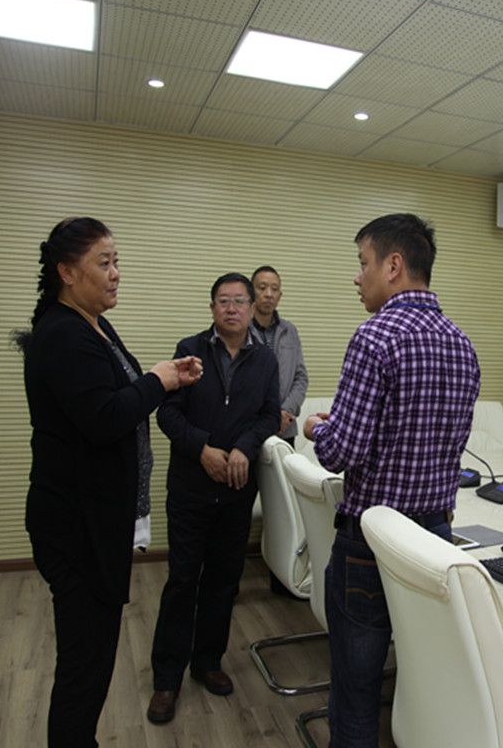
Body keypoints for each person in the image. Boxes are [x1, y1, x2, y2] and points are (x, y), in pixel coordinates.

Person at [14, 216, 203, 748]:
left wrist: (165, 379)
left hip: (95, 518)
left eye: (117, 261)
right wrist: (158, 380)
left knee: (93, 658)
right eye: (105, 262)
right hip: (75, 526)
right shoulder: (62, 333)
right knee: (84, 665)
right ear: (67, 272)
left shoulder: (90, 322)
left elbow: (117, 393)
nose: (116, 272)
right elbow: (103, 418)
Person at [303, 213, 480, 747]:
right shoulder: (462, 343)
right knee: (421, 672)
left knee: (356, 689)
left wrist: (318, 428)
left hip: (371, 543)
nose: (357, 277)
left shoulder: (374, 337)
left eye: (363, 263)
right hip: (434, 538)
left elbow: (342, 452)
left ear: (394, 265)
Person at [147, 272, 281, 724]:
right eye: (223, 301)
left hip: (237, 489)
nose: (232, 308)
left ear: (252, 309)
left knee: (224, 580)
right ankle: (167, 677)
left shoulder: (265, 360)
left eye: (240, 301)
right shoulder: (189, 350)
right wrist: (201, 448)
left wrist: (244, 447)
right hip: (191, 487)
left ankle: (208, 661)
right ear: (212, 309)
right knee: (183, 580)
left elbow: (269, 415)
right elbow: (167, 413)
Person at [249, 265, 308, 446]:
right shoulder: (241, 330)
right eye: (262, 288)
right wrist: (268, 418)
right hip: (250, 428)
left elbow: (301, 377)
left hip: (285, 428)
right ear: (251, 293)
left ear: (280, 296)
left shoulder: (289, 330)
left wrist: (286, 412)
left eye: (274, 289)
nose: (269, 294)